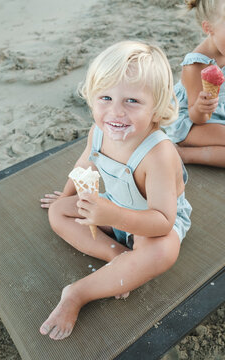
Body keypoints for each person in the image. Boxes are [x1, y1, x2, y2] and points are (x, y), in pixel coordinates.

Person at [39, 40, 192, 340]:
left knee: (163, 252)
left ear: (157, 109)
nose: (115, 112)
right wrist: (68, 195)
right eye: (105, 97)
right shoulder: (99, 132)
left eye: (132, 101)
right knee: (59, 212)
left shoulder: (158, 153)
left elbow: (163, 220)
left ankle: (78, 293)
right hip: (113, 208)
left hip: (152, 224)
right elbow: (85, 167)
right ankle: (118, 256)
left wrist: (113, 215)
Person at [162, 0, 225, 168]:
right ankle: (182, 154)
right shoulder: (195, 66)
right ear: (208, 28)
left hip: (220, 113)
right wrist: (202, 107)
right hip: (191, 122)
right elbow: (196, 116)